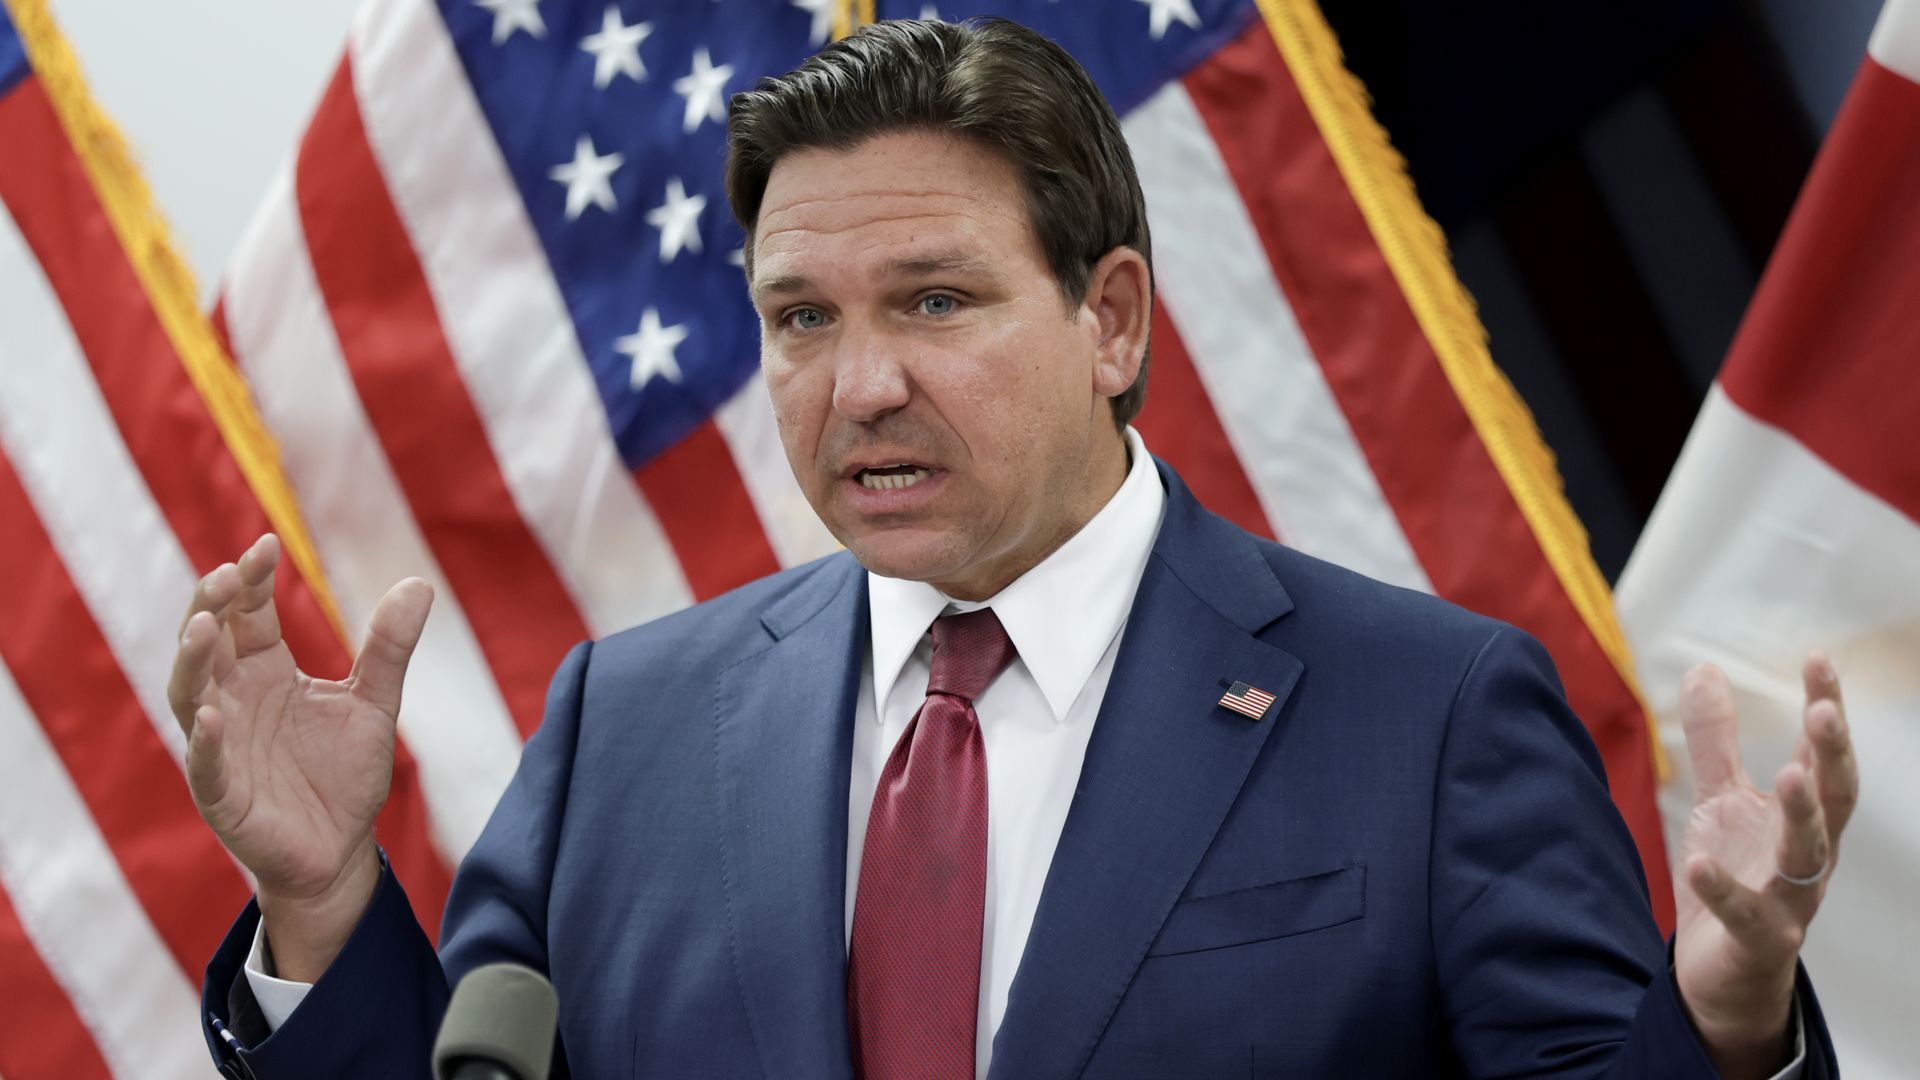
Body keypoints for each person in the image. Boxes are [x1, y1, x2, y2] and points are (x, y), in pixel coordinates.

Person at [174, 18, 1855, 1080]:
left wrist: (1718, 1026)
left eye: (935, 301)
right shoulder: (628, 728)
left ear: (1111, 318)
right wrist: (319, 906)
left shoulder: (1430, 717)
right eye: (801, 319)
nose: (863, 382)